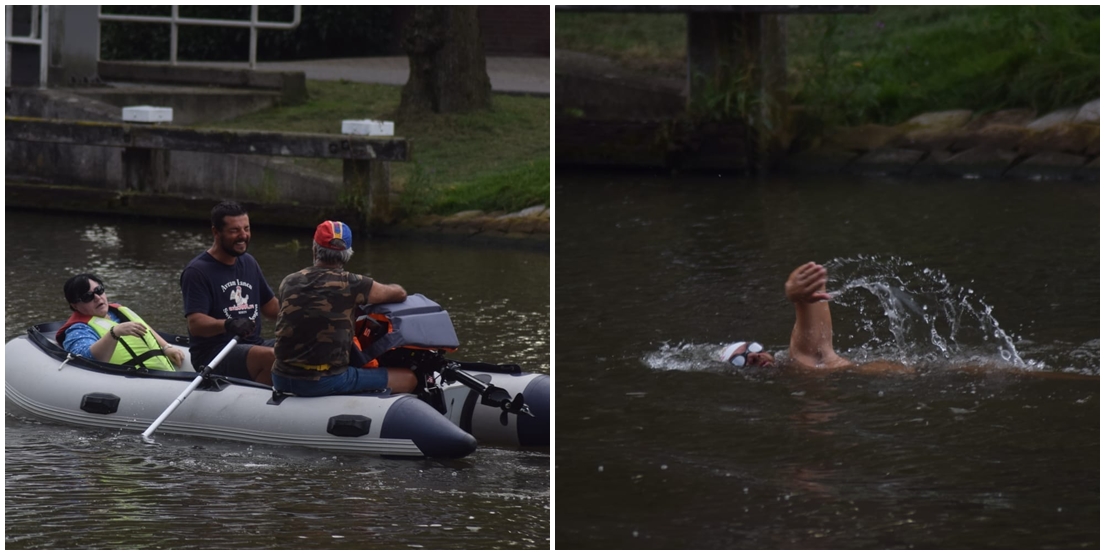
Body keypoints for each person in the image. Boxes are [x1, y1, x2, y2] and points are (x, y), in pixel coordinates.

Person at [270, 220, 417, 397]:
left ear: (315, 249)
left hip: (280, 376)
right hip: (324, 381)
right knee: (409, 378)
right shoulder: (353, 283)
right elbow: (399, 293)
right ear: (348, 254)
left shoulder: (289, 281)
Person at [180, 201, 279, 384]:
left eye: (247, 228)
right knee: (272, 357)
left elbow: (271, 307)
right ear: (216, 232)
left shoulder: (249, 262)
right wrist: (228, 324)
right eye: (234, 231)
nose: (243, 236)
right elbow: (195, 324)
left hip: (253, 345)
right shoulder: (197, 271)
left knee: (302, 349)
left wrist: (303, 315)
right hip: (215, 353)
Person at [720, 261, 851, 370]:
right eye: (739, 360)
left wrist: (799, 298)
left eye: (752, 347)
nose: (753, 355)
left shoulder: (798, 362)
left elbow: (809, 348)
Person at [56, 273, 185, 370]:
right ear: (75, 306)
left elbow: (145, 328)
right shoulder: (78, 329)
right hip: (130, 381)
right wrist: (114, 333)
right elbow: (86, 360)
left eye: (99, 290)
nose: (97, 298)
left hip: (161, 373)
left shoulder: (117, 311)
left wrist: (166, 347)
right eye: (87, 297)